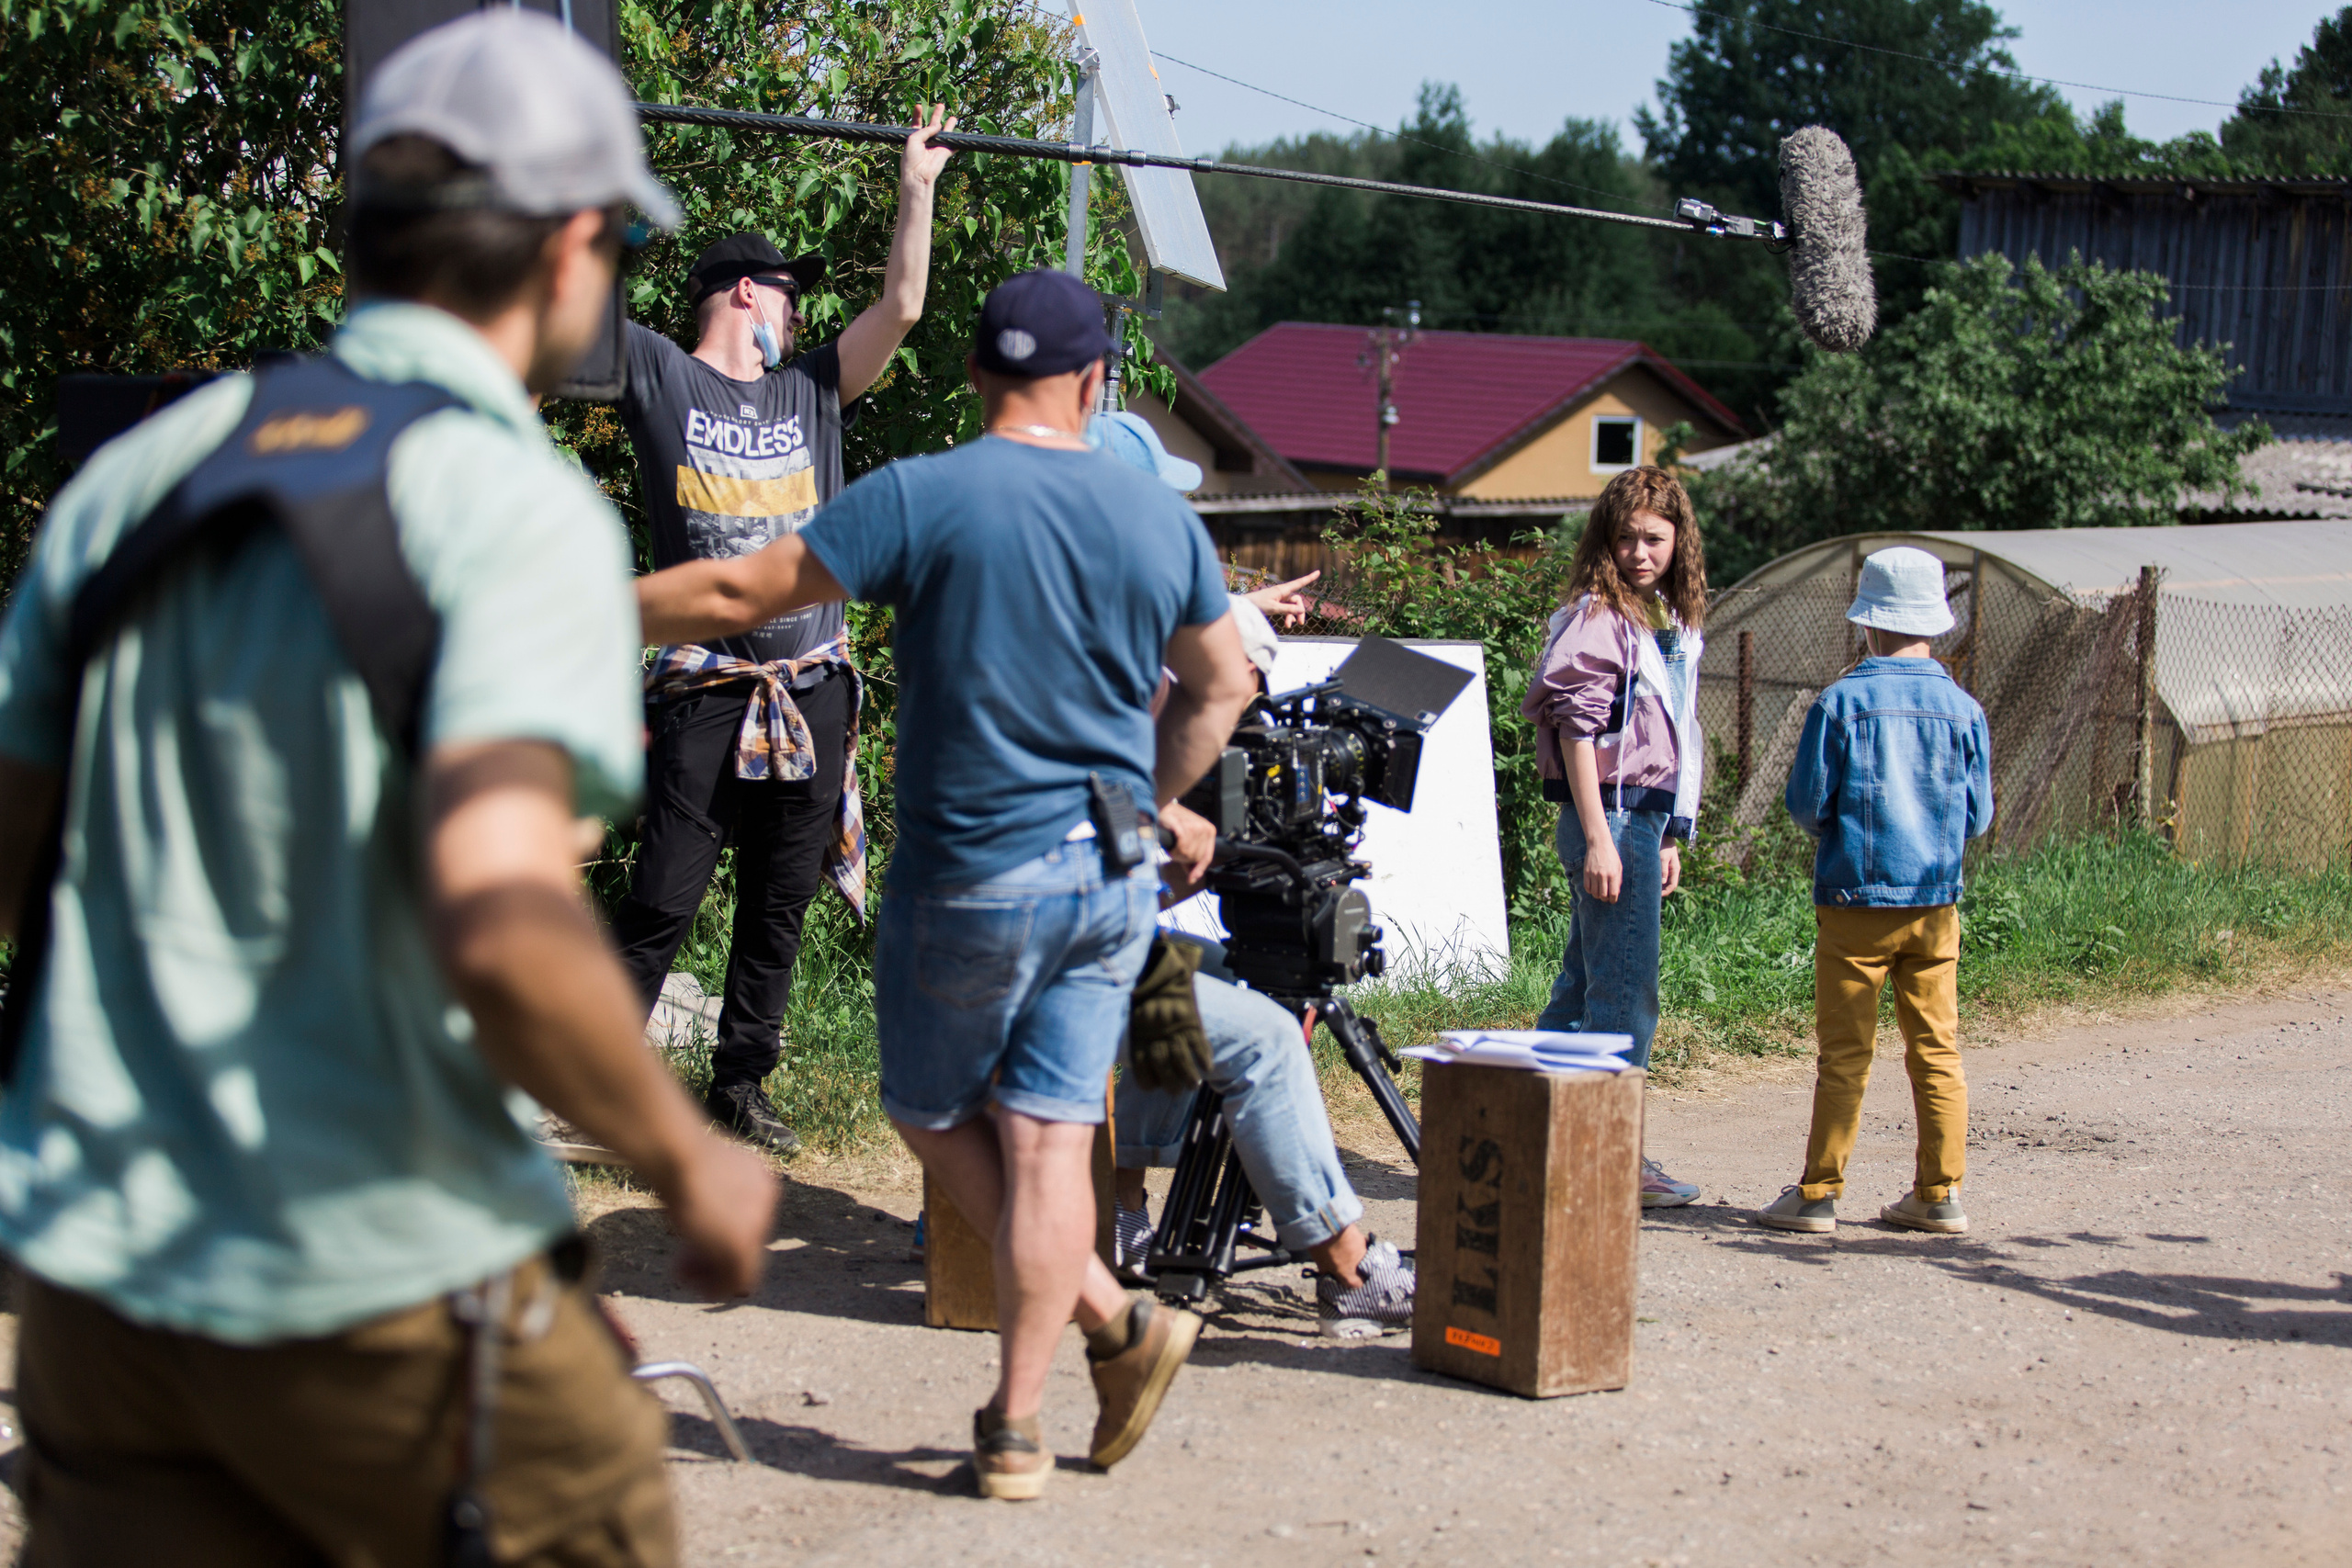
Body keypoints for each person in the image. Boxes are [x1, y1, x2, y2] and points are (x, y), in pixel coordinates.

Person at [0, 13, 779, 1562]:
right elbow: (500, 918)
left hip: (93, 1290)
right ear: (574, 247)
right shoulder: (509, 503)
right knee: (606, 1508)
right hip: (366, 1283)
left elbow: (24, 843)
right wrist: (688, 1156)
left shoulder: (139, 483)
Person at [633, 269, 1259, 1499]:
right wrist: (1137, 804)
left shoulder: (922, 496)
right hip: (1101, 880)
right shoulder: (1156, 521)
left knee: (931, 1112)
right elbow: (1223, 684)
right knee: (1047, 1142)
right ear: (1091, 385)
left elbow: (729, 592)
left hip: (967, 878)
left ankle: (1110, 1331)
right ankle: (1028, 1415)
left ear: (975, 375)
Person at [607, 107, 956, 1158]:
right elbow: (572, 301)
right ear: (746, 293)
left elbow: (901, 304)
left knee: (777, 903)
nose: (801, 320)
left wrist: (917, 186)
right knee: (664, 891)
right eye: (790, 298)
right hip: (705, 687)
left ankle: (740, 1085)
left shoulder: (813, 391)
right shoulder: (661, 374)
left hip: (812, 686)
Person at [1083, 411, 1414, 1337]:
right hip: (1038, 932)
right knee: (1264, 1035)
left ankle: (1122, 1209)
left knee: (1179, 980)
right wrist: (1155, 815)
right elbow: (1075, 778)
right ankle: (1348, 1267)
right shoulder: (1094, 639)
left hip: (1034, 918)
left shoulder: (1062, 609)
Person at [1758, 547, 1994, 1236]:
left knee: (1846, 1052)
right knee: (1937, 1048)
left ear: (1867, 623)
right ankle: (1939, 1192)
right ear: (1937, 624)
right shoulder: (1963, 707)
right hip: (1933, 904)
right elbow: (1978, 817)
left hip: (1854, 902)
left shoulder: (1840, 702)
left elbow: (1806, 805)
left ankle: (1819, 1192)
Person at [1523, 466, 1707, 1208]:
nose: (1639, 551)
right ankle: (1610, 1158)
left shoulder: (1659, 615)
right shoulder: (1602, 615)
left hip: (1643, 819)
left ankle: (1536, 1136)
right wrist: (1602, 837)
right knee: (1625, 993)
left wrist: (1671, 833)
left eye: (1654, 538)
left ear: (1678, 540)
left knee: (1580, 988)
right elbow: (1577, 727)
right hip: (1613, 818)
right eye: (1626, 536)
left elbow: (1672, 736)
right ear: (1605, 537)